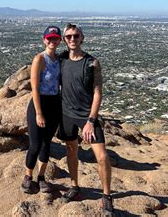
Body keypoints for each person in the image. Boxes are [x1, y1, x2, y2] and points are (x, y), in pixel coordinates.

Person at [58, 23, 114, 215]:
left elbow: (98, 93)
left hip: (86, 116)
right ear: (64, 40)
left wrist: (91, 121)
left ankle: (106, 196)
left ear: (82, 37)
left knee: (102, 156)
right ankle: (75, 186)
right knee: (71, 149)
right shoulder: (62, 59)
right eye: (68, 36)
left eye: (75, 36)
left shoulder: (92, 63)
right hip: (66, 114)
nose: (72, 39)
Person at [21, 26, 62, 194]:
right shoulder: (39, 59)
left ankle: (42, 178)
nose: (52, 41)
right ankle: (28, 176)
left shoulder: (59, 60)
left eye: (55, 38)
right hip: (39, 104)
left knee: (47, 144)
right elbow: (35, 89)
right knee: (35, 144)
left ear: (59, 40)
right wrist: (39, 113)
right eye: (49, 38)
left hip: (54, 104)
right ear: (44, 39)